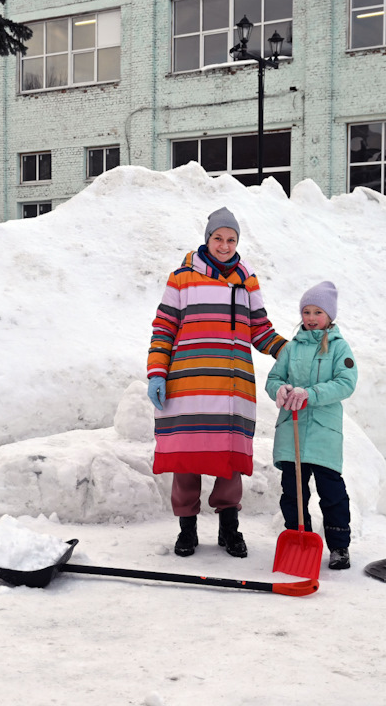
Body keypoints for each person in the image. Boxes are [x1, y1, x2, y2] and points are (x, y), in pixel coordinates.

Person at [147, 207, 286, 558]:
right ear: (207, 239)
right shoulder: (182, 278)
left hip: (232, 386)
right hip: (188, 384)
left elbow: (260, 329)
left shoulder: (247, 279)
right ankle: (187, 530)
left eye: (231, 239)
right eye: (218, 238)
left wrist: (288, 351)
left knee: (229, 459)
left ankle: (229, 530)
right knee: (186, 459)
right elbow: (164, 328)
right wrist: (157, 372)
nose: (224, 245)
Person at [265, 280, 358, 570]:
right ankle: (296, 538)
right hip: (291, 429)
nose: (311, 318)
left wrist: (311, 394)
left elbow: (346, 383)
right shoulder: (291, 348)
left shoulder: (339, 347)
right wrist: (279, 391)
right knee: (293, 492)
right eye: (307, 311)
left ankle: (339, 546)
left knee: (331, 493)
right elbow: (273, 379)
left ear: (330, 316)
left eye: (318, 312)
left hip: (323, 433)